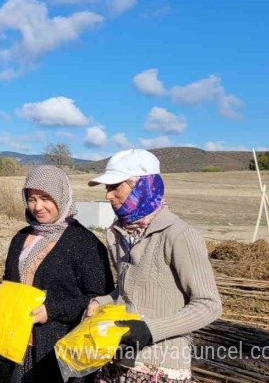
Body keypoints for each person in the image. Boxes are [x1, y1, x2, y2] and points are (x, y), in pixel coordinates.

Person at [86, 149, 221, 383]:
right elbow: (130, 292)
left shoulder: (179, 235)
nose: (108, 196)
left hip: (159, 368)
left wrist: (150, 330)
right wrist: (101, 301)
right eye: (107, 188)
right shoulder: (120, 234)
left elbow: (209, 305)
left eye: (115, 186)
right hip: (116, 361)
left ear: (143, 186)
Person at [0, 165, 113, 383]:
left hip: (60, 350)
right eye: (32, 199)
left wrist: (52, 310)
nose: (38, 207)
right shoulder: (20, 237)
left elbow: (101, 299)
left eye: (45, 198)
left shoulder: (84, 243)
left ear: (61, 196)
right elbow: (11, 283)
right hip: (17, 344)